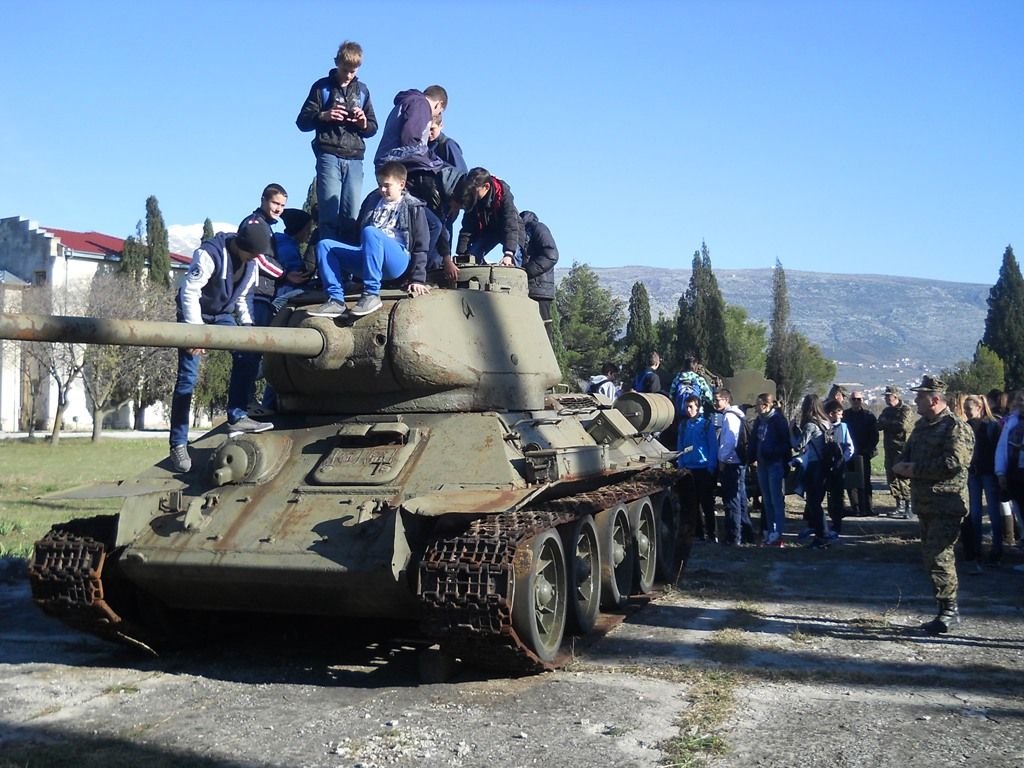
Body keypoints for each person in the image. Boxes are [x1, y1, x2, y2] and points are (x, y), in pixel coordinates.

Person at [168, 223, 273, 473]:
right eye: (252, 253)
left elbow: (244, 297)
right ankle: (178, 444)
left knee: (247, 354)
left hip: (222, 315)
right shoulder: (209, 254)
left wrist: (247, 328)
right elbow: (190, 292)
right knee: (188, 378)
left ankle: (237, 416)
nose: (255, 258)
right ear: (241, 246)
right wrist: (195, 332)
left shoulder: (251, 263)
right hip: (195, 314)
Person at [893, 376, 974, 635]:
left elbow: (953, 463)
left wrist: (915, 469)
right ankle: (945, 608)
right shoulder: (921, 426)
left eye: (921, 396)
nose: (916, 400)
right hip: (925, 503)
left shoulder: (955, 427)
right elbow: (907, 454)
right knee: (930, 557)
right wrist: (901, 466)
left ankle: (949, 611)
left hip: (946, 503)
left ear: (935, 399)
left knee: (940, 557)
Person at [309, 161, 430, 319]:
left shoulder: (413, 207)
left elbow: (421, 244)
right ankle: (336, 300)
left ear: (401, 184)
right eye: (380, 185)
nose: (382, 190)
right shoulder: (372, 201)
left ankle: (371, 294)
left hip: (396, 259)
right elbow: (357, 233)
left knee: (371, 232)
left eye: (387, 185)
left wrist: (418, 279)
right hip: (369, 256)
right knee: (325, 245)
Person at [295, 41, 378, 241]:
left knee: (351, 216)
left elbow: (373, 127)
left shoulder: (362, 91)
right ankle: (327, 257)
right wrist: (324, 115)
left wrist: (363, 123)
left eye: (353, 71)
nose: (348, 75)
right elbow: (302, 122)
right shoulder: (322, 87)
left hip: (355, 157)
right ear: (337, 63)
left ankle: (346, 259)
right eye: (345, 70)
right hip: (329, 154)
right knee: (329, 214)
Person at [451, 167, 523, 273]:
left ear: (486, 186)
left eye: (475, 191)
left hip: (509, 231)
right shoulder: (472, 198)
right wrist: (461, 254)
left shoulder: (503, 194)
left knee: (513, 257)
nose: (472, 194)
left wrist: (509, 253)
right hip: (488, 232)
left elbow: (510, 223)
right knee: (472, 255)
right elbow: (467, 227)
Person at [963, 394, 1002, 567]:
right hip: (974, 473)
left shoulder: (993, 426)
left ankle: (997, 550)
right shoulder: (967, 426)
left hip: (989, 473)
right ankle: (976, 550)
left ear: (979, 408)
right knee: (975, 513)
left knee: (993, 513)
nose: (966, 412)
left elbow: (998, 451)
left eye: (969, 409)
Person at [748, 393, 791, 545]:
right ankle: (770, 530)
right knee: (766, 499)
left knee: (776, 499)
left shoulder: (778, 421)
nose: (756, 408)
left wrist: (773, 453)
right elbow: (754, 440)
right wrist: (750, 456)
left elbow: (785, 443)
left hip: (774, 463)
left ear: (766, 405)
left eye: (758, 405)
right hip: (762, 464)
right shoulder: (759, 421)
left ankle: (778, 532)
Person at [792, 394, 833, 548]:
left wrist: (792, 430)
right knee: (816, 501)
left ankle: (823, 534)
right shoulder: (826, 423)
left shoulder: (811, 425)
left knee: (813, 502)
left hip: (814, 465)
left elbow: (798, 445)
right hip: (825, 465)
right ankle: (821, 534)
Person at [677, 395, 719, 542]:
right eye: (686, 407)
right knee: (692, 504)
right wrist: (681, 464)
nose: (688, 410)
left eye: (691, 407)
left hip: (703, 468)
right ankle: (698, 533)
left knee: (707, 503)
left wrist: (711, 466)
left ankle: (712, 533)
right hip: (689, 468)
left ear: (698, 408)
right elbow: (680, 446)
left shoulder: (706, 425)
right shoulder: (683, 426)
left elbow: (713, 446)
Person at [716, 388, 754, 545]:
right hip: (739, 462)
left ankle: (734, 536)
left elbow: (729, 441)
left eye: (718, 400)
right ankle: (746, 533)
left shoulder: (729, 417)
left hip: (732, 463)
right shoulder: (738, 414)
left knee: (732, 501)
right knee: (741, 499)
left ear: (726, 400)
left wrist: (722, 460)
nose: (715, 403)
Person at [877, 385, 917, 518]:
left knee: (903, 478)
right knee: (891, 478)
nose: (886, 399)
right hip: (889, 449)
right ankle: (899, 504)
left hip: (902, 449)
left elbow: (903, 426)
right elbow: (878, 425)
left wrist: (888, 423)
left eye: (888, 396)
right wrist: (891, 423)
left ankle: (908, 506)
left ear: (895, 396)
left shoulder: (905, 409)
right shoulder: (886, 411)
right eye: (886, 396)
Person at [519, 211, 559, 341]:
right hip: (528, 287)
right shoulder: (523, 232)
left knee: (542, 332)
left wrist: (525, 272)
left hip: (538, 289)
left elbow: (551, 256)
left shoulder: (538, 228)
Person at [843, 389, 878, 515]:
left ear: (862, 400)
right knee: (851, 482)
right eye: (853, 399)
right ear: (850, 400)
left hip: (864, 454)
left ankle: (868, 508)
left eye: (858, 399)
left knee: (865, 481)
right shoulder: (845, 416)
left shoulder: (869, 416)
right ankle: (855, 508)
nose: (856, 401)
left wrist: (868, 450)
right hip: (849, 454)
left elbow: (874, 436)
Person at [824, 399, 855, 535]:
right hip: (825, 465)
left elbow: (850, 447)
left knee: (837, 496)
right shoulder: (824, 427)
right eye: (839, 414)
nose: (841, 417)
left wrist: (843, 460)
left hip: (838, 466)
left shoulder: (843, 427)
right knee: (828, 495)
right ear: (831, 414)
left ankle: (837, 523)